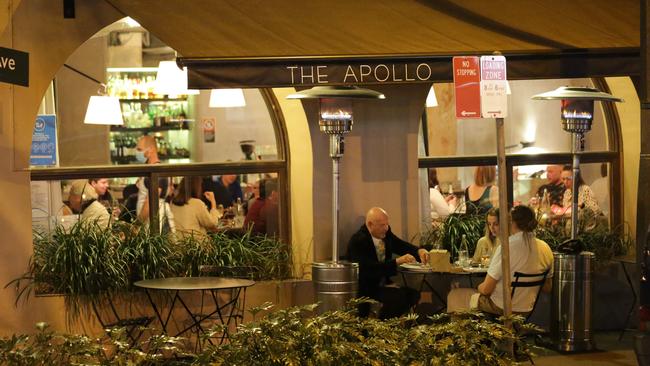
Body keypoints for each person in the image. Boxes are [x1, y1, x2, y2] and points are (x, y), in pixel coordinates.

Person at [447, 205, 553, 315]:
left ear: (511, 222)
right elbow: (547, 287)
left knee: (455, 295)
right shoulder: (545, 248)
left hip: (502, 307)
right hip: (527, 310)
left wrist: (477, 286)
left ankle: (464, 332)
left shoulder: (507, 247)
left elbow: (486, 290)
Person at [347, 207, 429, 319]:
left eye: (387, 224)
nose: (386, 228)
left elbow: (400, 245)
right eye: (382, 225)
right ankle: (384, 327)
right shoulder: (358, 241)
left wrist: (418, 251)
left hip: (383, 283)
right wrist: (397, 261)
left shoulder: (385, 233)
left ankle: (387, 326)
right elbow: (368, 269)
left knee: (413, 295)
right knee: (397, 297)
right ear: (370, 225)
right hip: (366, 287)